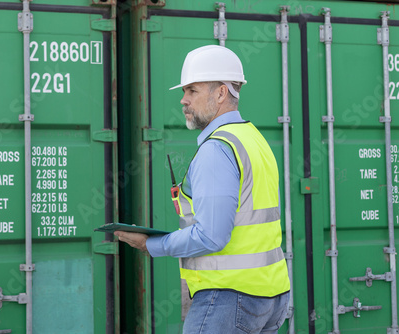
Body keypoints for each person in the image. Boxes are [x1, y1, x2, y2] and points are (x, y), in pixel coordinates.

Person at [115, 45, 291, 333]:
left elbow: (212, 235)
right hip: (271, 296)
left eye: (192, 91)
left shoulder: (217, 150)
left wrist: (150, 244)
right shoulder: (252, 138)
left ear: (221, 93)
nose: (183, 100)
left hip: (228, 298)